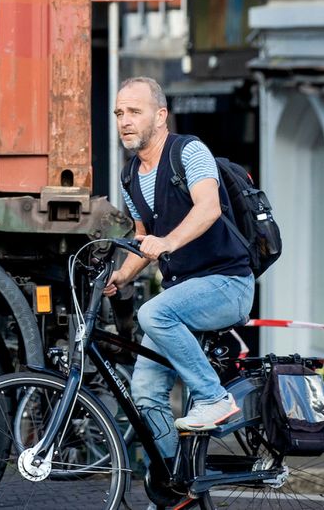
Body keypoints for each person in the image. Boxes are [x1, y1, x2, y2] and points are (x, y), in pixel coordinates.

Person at [103, 76, 254, 461]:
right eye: (120, 113)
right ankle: (175, 482)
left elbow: (209, 207)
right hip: (180, 295)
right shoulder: (129, 175)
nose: (125, 121)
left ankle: (214, 398)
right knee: (145, 393)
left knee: (154, 311)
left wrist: (168, 242)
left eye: (134, 111)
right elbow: (142, 238)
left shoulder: (189, 152)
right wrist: (123, 274)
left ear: (161, 115)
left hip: (227, 284)